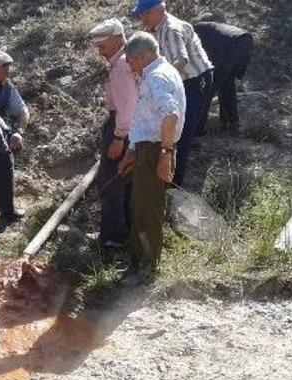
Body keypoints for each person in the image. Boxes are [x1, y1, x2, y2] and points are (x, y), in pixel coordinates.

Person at [118, 32, 185, 281]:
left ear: (144, 55)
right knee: (140, 208)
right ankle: (137, 265)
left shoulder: (158, 77)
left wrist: (165, 154)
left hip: (156, 150)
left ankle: (146, 270)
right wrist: (132, 151)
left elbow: (171, 115)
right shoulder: (154, 74)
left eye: (132, 60)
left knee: (147, 212)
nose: (129, 64)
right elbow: (147, 120)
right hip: (147, 149)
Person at [133, 0, 212, 187]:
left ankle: (175, 184)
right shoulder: (159, 29)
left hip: (195, 80)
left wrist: (158, 77)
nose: (143, 19)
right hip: (184, 80)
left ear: (158, 10)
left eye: (146, 14)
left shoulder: (170, 29)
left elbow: (181, 59)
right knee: (178, 126)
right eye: (141, 15)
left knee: (181, 132)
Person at [88, 18, 139, 248]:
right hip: (132, 126)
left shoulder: (121, 67)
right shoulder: (129, 60)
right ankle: (125, 230)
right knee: (126, 180)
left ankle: (112, 238)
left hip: (123, 127)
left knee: (110, 182)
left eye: (103, 46)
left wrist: (118, 138)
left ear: (118, 39)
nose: (100, 53)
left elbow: (126, 107)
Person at [194, 22, 254, 134]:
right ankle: (231, 122)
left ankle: (197, 129)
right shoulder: (209, 28)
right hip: (247, 41)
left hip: (233, 46)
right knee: (227, 83)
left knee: (208, 89)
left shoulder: (194, 31)